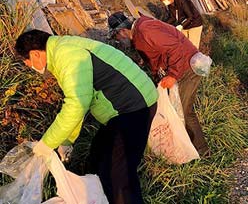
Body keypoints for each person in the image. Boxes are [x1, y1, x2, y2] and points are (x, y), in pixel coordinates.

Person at [14, 29, 158, 203]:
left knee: (118, 174)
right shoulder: (62, 50)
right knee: (97, 158)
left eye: (26, 61)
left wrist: (47, 143)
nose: (28, 66)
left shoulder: (66, 55)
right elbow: (79, 101)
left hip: (133, 108)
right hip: (125, 107)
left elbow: (76, 105)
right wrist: (66, 141)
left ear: (35, 54)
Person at [110, 12, 210, 156]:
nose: (118, 41)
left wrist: (173, 75)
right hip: (179, 66)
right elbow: (157, 52)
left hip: (187, 67)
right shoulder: (139, 33)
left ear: (122, 31)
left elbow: (176, 48)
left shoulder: (145, 30)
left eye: (116, 37)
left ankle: (202, 151)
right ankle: (183, 146)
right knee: (176, 108)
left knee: (183, 110)